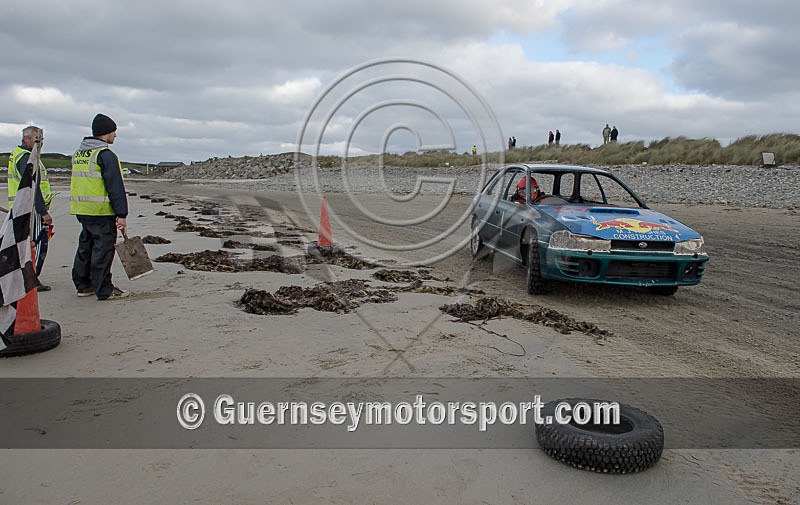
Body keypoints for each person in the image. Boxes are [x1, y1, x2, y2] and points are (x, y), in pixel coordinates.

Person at [70, 113, 130, 300]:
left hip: (82, 210)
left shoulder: (80, 154)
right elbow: (115, 186)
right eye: (114, 131)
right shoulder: (105, 155)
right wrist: (121, 214)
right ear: (106, 133)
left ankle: (84, 285)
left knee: (86, 247)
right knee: (102, 250)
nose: (115, 135)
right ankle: (104, 288)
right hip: (101, 211)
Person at [8, 125, 54, 291]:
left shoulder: (21, 154)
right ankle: (31, 278)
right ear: (26, 139)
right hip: (29, 209)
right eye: (37, 139)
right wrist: (43, 212)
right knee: (36, 243)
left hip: (21, 208)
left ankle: (25, 277)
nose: (40, 143)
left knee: (26, 244)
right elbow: (32, 187)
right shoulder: (26, 158)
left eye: (41, 139)